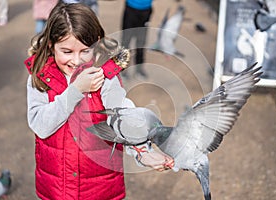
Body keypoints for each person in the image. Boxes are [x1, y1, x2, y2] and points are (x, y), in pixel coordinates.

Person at [25, 3, 174, 200]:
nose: (77, 61)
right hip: (56, 190)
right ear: (52, 45)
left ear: (96, 43)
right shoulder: (41, 76)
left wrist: (142, 152)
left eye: (85, 51)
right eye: (67, 51)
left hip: (101, 190)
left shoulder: (104, 77)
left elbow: (123, 116)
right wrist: (76, 90)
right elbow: (41, 126)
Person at [121, 0, 153, 79]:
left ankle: (139, 69)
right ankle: (122, 69)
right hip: (131, 9)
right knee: (126, 41)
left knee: (141, 42)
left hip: (146, 9)